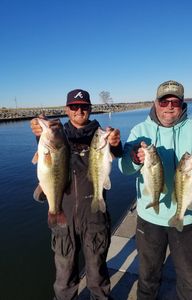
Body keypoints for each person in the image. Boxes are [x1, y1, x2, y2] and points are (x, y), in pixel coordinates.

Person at [118, 80, 192, 300]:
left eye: (174, 101)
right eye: (164, 101)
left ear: (182, 104)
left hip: (186, 219)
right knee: (147, 278)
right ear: (155, 103)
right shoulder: (140, 130)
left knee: (191, 282)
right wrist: (134, 159)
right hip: (149, 219)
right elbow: (124, 168)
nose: (169, 106)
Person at [31, 89, 122, 300]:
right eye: (74, 107)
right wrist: (39, 131)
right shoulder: (58, 134)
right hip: (64, 215)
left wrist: (116, 144)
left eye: (83, 106)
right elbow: (49, 153)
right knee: (64, 280)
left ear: (90, 109)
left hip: (94, 217)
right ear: (67, 110)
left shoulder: (101, 136)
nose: (79, 110)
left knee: (97, 277)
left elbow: (116, 151)